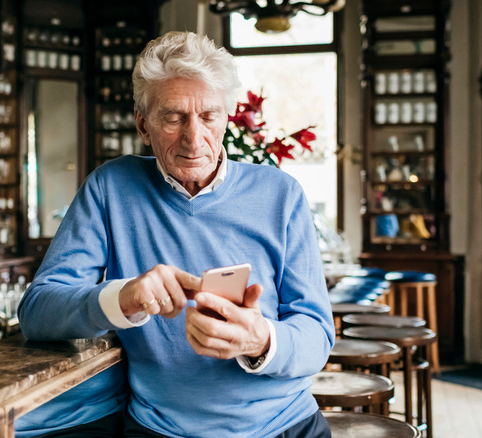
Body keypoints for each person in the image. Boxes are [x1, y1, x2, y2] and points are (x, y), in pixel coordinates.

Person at [18, 31, 334, 438]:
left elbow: (317, 334)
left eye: (209, 116)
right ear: (143, 125)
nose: (193, 137)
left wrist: (261, 339)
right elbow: (38, 311)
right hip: (161, 431)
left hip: (283, 426)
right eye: (173, 117)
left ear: (228, 117)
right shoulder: (110, 188)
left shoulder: (281, 194)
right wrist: (121, 297)